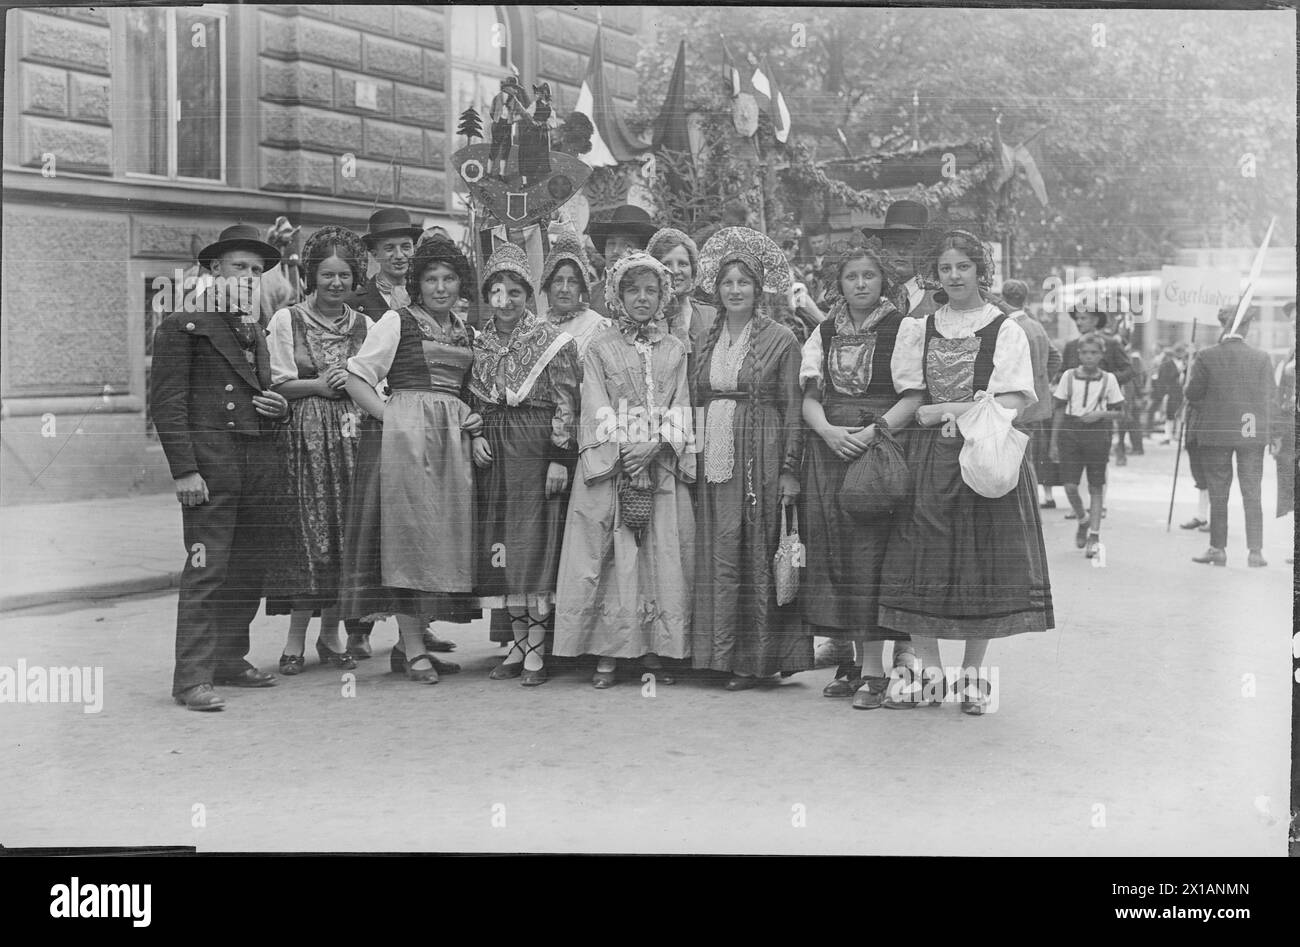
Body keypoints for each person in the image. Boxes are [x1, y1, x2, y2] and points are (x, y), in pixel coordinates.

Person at [877, 230, 1054, 715]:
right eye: (946, 268)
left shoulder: (1005, 329)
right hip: (928, 459)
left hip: (984, 454)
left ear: (981, 271)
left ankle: (974, 677)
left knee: (981, 562)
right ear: (935, 274)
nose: (954, 276)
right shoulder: (920, 327)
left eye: (963, 267)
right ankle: (931, 675)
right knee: (920, 560)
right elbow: (913, 397)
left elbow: (1016, 397)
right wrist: (927, 414)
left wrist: (952, 409)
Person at [149, 223, 292, 711]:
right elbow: (167, 404)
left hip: (256, 464)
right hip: (210, 468)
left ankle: (230, 659)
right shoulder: (183, 324)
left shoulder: (253, 328)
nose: (250, 277)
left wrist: (279, 408)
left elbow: (260, 394)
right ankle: (191, 679)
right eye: (240, 267)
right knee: (206, 571)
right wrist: (184, 471)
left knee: (248, 569)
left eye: (257, 270)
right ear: (213, 269)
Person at [339, 236, 483, 683]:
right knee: (407, 539)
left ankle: (409, 644)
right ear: (417, 285)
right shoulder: (396, 322)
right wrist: (393, 419)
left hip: (449, 448)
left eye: (449, 278)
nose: (440, 287)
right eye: (430, 279)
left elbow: (468, 389)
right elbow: (355, 377)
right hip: (404, 445)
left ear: (461, 284)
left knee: (438, 540)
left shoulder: (467, 332)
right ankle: (415, 648)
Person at [553, 252, 696, 686]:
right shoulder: (599, 346)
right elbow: (593, 404)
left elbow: (682, 404)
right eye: (632, 289)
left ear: (663, 296)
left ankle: (655, 649)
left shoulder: (676, 348)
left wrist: (653, 445)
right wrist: (625, 450)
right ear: (616, 294)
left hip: (660, 462)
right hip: (612, 465)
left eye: (651, 290)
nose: (642, 298)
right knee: (611, 558)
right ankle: (607, 653)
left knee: (659, 556)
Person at [798, 237, 924, 707]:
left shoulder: (901, 328)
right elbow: (809, 397)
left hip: (879, 449)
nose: (860, 283)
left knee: (872, 555)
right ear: (839, 284)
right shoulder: (824, 331)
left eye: (869, 275)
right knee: (835, 554)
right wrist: (829, 432)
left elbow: (912, 398)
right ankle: (851, 662)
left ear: (883, 280)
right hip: (831, 450)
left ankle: (878, 671)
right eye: (851, 276)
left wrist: (869, 434)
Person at [691, 227, 810, 689]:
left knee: (754, 549)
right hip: (713, 455)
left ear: (758, 290)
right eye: (727, 283)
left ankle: (754, 659)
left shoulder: (782, 339)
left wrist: (789, 470)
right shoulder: (705, 339)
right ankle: (717, 655)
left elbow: (793, 406)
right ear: (717, 290)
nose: (735, 290)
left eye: (744, 282)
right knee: (719, 549)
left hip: (760, 454)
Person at [470, 243, 581, 686]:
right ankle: (517, 641)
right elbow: (473, 401)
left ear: (529, 294)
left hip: (536, 449)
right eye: (497, 291)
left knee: (535, 544)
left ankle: (536, 646)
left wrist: (559, 458)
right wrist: (476, 434)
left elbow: (566, 402)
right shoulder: (481, 344)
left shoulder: (550, 342)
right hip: (496, 452)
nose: (506, 299)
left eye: (515, 291)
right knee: (504, 545)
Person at [264, 227, 370, 675]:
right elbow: (276, 382)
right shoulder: (288, 320)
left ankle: (331, 636)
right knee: (310, 537)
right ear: (311, 275)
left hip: (354, 436)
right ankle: (294, 640)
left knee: (346, 535)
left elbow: (376, 378)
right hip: (304, 438)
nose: (335, 284)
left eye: (344, 275)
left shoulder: (364, 324)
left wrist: (356, 384)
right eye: (327, 275)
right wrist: (320, 386)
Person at [1185, 304, 1276, 567]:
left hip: (1216, 431)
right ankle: (1255, 551)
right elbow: (1268, 397)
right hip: (1250, 430)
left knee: (1218, 492)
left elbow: (1192, 395)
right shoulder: (1261, 357)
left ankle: (1218, 548)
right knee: (1252, 491)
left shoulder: (1205, 356)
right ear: (1247, 327)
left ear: (1222, 325)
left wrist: (1214, 408)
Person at [1048, 333, 1125, 558]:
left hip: (1097, 433)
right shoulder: (1069, 377)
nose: (1089, 357)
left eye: (1094, 353)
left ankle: (1094, 534)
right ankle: (1082, 518)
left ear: (1101, 355)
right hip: (1071, 433)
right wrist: (1053, 443)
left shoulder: (1108, 379)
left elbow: (1121, 412)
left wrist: (1101, 413)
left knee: (1096, 485)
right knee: (1070, 485)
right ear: (1079, 354)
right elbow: (1059, 410)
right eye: (1085, 353)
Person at [1001, 279, 1061, 490]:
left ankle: (1027, 512)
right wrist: (1040, 383)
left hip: (1015, 407)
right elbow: (1055, 358)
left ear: (1003, 298)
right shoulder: (1036, 326)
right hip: (1035, 407)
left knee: (1019, 463)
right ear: (1025, 299)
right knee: (1028, 460)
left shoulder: (1007, 327)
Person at [646, 227, 718, 398]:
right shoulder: (643, 319)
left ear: (693, 270)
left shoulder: (712, 316)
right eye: (667, 264)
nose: (675, 271)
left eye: (683, 264)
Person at [540, 227, 610, 358]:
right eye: (558, 281)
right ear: (548, 286)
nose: (564, 289)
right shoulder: (538, 326)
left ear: (581, 287)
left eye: (572, 282)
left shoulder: (596, 326)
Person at [862, 200, 938, 319]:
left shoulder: (939, 300)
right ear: (883, 247)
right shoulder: (866, 295)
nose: (902, 251)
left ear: (924, 251)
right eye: (894, 243)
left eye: (911, 244)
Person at [488, 75, 527, 180]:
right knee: (497, 149)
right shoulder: (500, 98)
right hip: (500, 125)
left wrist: (512, 119)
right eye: (514, 88)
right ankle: (492, 173)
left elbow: (523, 113)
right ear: (508, 87)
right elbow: (491, 111)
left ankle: (498, 174)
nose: (515, 90)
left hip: (503, 125)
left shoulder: (511, 99)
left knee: (503, 149)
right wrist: (499, 119)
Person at [518, 81, 557, 186]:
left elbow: (553, 123)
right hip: (531, 134)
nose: (537, 94)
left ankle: (536, 181)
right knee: (527, 155)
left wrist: (545, 124)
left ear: (545, 93)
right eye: (537, 92)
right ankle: (525, 182)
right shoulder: (535, 104)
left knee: (540, 158)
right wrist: (533, 122)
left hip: (542, 136)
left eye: (539, 92)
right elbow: (527, 114)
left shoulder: (550, 108)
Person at [1154, 342, 1189, 444]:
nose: (1181, 355)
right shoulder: (1167, 365)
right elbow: (1164, 378)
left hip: (1182, 393)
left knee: (1181, 414)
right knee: (1170, 414)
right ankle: (1168, 435)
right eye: (1179, 352)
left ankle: (1179, 435)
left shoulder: (1186, 364)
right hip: (1171, 393)